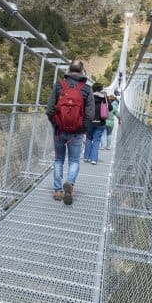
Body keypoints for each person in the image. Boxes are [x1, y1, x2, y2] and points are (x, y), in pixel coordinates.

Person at [46, 60, 94, 205]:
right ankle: (70, 183)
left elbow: (49, 110)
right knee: (74, 160)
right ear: (82, 71)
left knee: (59, 159)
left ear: (68, 70)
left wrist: (57, 124)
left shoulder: (59, 85)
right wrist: (82, 129)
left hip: (60, 131)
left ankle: (58, 190)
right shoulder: (86, 89)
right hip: (76, 133)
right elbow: (90, 114)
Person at [83, 82, 109, 164]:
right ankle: (94, 159)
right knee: (97, 140)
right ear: (101, 89)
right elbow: (110, 108)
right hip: (100, 122)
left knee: (88, 138)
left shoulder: (89, 96)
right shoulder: (104, 97)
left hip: (90, 121)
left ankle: (86, 157)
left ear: (93, 88)